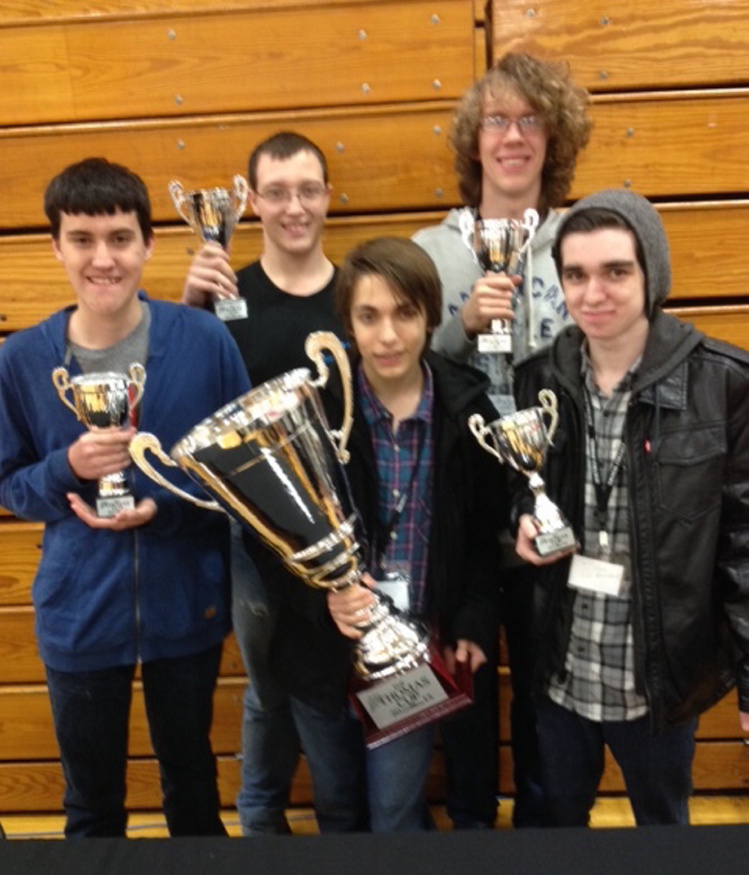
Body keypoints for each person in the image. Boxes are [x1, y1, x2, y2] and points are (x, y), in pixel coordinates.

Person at [0, 158, 250, 837]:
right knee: (91, 804)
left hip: (184, 599)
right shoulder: (21, 359)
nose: (102, 258)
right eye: (82, 238)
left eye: (119, 237)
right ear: (55, 246)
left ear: (147, 243)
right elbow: (9, 484)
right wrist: (66, 467)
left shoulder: (203, 339)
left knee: (193, 788)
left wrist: (163, 506)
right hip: (78, 610)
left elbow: (239, 470)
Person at [243, 236, 503, 831]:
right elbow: (266, 541)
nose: (388, 335)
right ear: (346, 324)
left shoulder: (467, 412)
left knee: (394, 811)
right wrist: (321, 599)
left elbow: (485, 536)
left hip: (410, 655)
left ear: (431, 317)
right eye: (369, 316)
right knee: (336, 806)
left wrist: (471, 620)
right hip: (320, 653)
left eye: (405, 314)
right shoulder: (308, 412)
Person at [513, 188, 749, 826]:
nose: (594, 293)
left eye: (616, 271)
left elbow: (744, 545)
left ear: (652, 274)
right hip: (563, 667)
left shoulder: (723, 383)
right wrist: (523, 522)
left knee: (662, 828)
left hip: (660, 679)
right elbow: (522, 485)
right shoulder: (539, 378)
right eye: (576, 275)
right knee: (562, 825)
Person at [413, 52, 592, 827]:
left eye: (530, 121)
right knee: (466, 686)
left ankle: (547, 843)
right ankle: (472, 842)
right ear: (472, 139)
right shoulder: (431, 251)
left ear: (553, 140)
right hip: (456, 501)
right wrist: (460, 326)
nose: (512, 136)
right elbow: (399, 368)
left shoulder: (585, 239)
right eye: (496, 120)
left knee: (548, 687)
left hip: (554, 498)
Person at [181, 131, 346, 835]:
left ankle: (351, 820)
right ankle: (260, 819)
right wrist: (187, 308)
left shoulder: (358, 293)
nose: (293, 206)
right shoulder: (223, 297)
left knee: (339, 680)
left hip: (346, 535)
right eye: (276, 192)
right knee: (268, 684)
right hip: (254, 539)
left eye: (307, 190)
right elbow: (184, 405)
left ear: (328, 198)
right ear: (249, 201)